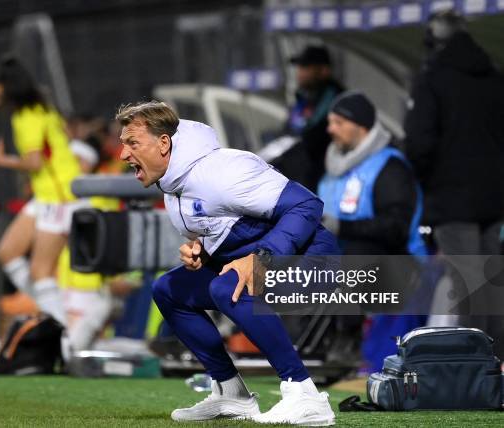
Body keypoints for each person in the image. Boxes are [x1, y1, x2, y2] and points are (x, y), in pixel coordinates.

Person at [117, 101, 338, 425]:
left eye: (132, 143)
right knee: (168, 289)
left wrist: (260, 260)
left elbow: (307, 206)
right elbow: (237, 230)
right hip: (279, 256)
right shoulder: (172, 184)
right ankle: (230, 392)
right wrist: (203, 253)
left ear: (164, 143)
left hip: (319, 261)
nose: (123, 155)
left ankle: (304, 393)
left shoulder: (222, 171)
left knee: (227, 287)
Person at [403, 10, 504, 335]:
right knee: (493, 282)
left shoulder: (431, 78)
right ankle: (497, 360)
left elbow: (420, 142)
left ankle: (476, 365)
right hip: (494, 197)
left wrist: (426, 181)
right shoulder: (493, 76)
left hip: (452, 198)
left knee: (468, 285)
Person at [318, 91, 427, 371]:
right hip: (346, 261)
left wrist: (342, 226)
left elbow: (396, 228)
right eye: (330, 122)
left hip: (401, 264)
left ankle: (349, 340)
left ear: (361, 126)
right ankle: (303, 343)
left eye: (339, 122)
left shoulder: (389, 166)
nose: (330, 130)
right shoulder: (333, 169)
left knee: (354, 256)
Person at [0, 57, 85, 326]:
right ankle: (51, 311)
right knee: (7, 252)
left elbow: (35, 161)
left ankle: (60, 329)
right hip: (49, 192)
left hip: (59, 197)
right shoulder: (42, 109)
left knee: (40, 271)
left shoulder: (27, 116)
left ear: (8, 87)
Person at [271, 45, 344, 192]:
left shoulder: (339, 102)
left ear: (324, 71)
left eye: (306, 67)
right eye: (299, 67)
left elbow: (315, 142)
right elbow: (288, 136)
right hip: (295, 183)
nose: (300, 72)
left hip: (325, 186)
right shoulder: (302, 101)